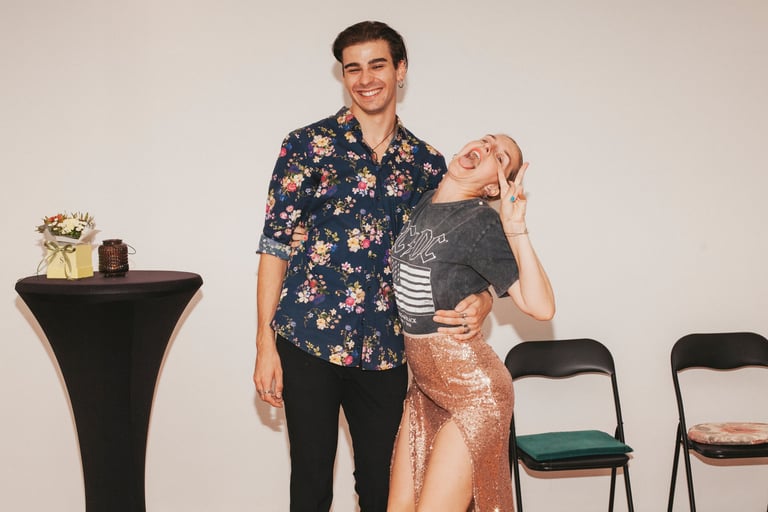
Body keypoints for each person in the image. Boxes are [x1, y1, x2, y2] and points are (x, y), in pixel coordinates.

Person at [253, 21, 494, 511]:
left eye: (377, 65)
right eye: (353, 68)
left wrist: (485, 298)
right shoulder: (306, 145)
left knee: (384, 491)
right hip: (307, 340)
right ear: (342, 75)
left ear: (400, 70)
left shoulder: (427, 163)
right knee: (310, 485)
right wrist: (264, 342)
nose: (365, 79)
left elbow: (456, 250)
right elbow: (274, 246)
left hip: (387, 348)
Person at [387, 134, 555, 512]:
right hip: (425, 388)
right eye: (487, 141)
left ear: (494, 186)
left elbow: (541, 307)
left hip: (474, 393)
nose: (487, 148)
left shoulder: (481, 220)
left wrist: (515, 226)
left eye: (500, 157)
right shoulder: (425, 202)